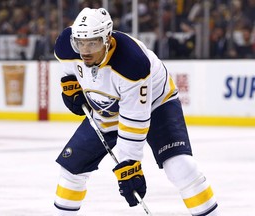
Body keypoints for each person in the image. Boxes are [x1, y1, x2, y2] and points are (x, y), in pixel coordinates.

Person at [53, 7, 219, 216]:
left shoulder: (132, 63)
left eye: (92, 43)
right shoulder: (67, 45)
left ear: (107, 39)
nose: (85, 50)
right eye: (80, 43)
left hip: (156, 104)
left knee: (181, 167)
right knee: (71, 169)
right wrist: (69, 83)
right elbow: (69, 65)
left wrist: (130, 164)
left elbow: (135, 120)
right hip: (105, 110)